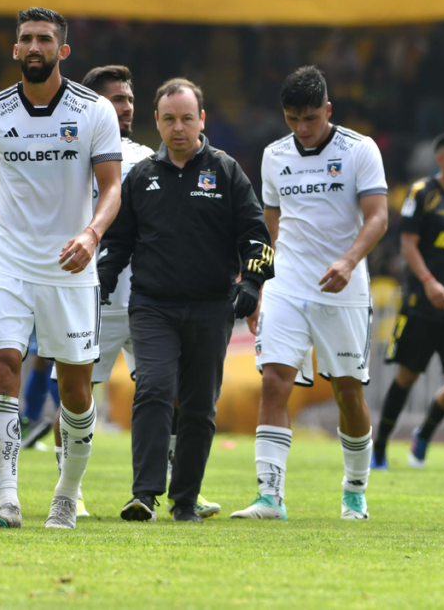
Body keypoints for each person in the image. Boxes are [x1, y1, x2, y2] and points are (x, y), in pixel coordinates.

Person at [0, 7, 123, 529]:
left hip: (70, 264)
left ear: (62, 50)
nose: (34, 47)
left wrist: (91, 233)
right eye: (26, 39)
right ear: (15, 49)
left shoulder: (95, 111)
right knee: (2, 368)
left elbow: (112, 187)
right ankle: (6, 501)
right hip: (6, 261)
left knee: (75, 391)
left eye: (45, 40)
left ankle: (66, 494)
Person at [47, 65, 222, 519]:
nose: (125, 107)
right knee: (75, 392)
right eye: (114, 99)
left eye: (128, 99)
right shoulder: (69, 149)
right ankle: (72, 488)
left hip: (147, 299)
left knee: (172, 396)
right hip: (93, 295)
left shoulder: (149, 157)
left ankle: (184, 485)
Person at [98, 78, 273, 523]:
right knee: (154, 387)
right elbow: (119, 243)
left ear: (202, 120)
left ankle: (185, 501)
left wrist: (251, 285)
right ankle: (144, 495)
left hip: (212, 306)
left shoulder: (227, 171)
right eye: (170, 119)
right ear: (156, 121)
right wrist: (100, 281)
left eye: (187, 118)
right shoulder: (140, 177)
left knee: (198, 405)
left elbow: (257, 237)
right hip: (152, 305)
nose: (179, 128)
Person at [230, 66, 388, 521]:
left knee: (347, 392)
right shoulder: (274, 155)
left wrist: (348, 260)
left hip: (343, 287)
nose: (302, 128)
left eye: (311, 118)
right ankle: (270, 497)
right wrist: (259, 285)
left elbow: (377, 217)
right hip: (289, 285)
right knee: (274, 381)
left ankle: (355, 491)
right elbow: (270, 226)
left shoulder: (360, 150)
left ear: (328, 110)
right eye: (293, 119)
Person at [374, 131, 444, 473]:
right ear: (440, 157)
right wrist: (429, 282)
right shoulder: (422, 193)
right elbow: (408, 244)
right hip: (421, 303)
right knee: (408, 374)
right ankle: (378, 450)